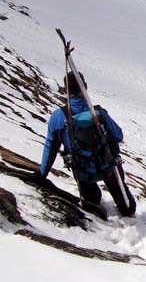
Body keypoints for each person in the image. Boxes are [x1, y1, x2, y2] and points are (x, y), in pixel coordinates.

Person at [34, 71, 136, 218]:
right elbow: (118, 135)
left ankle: (94, 199)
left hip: (82, 170)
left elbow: (51, 147)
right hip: (108, 166)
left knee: (92, 201)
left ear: (65, 90)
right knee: (128, 208)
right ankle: (125, 205)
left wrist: (42, 174)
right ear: (85, 86)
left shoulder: (58, 117)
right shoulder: (98, 113)